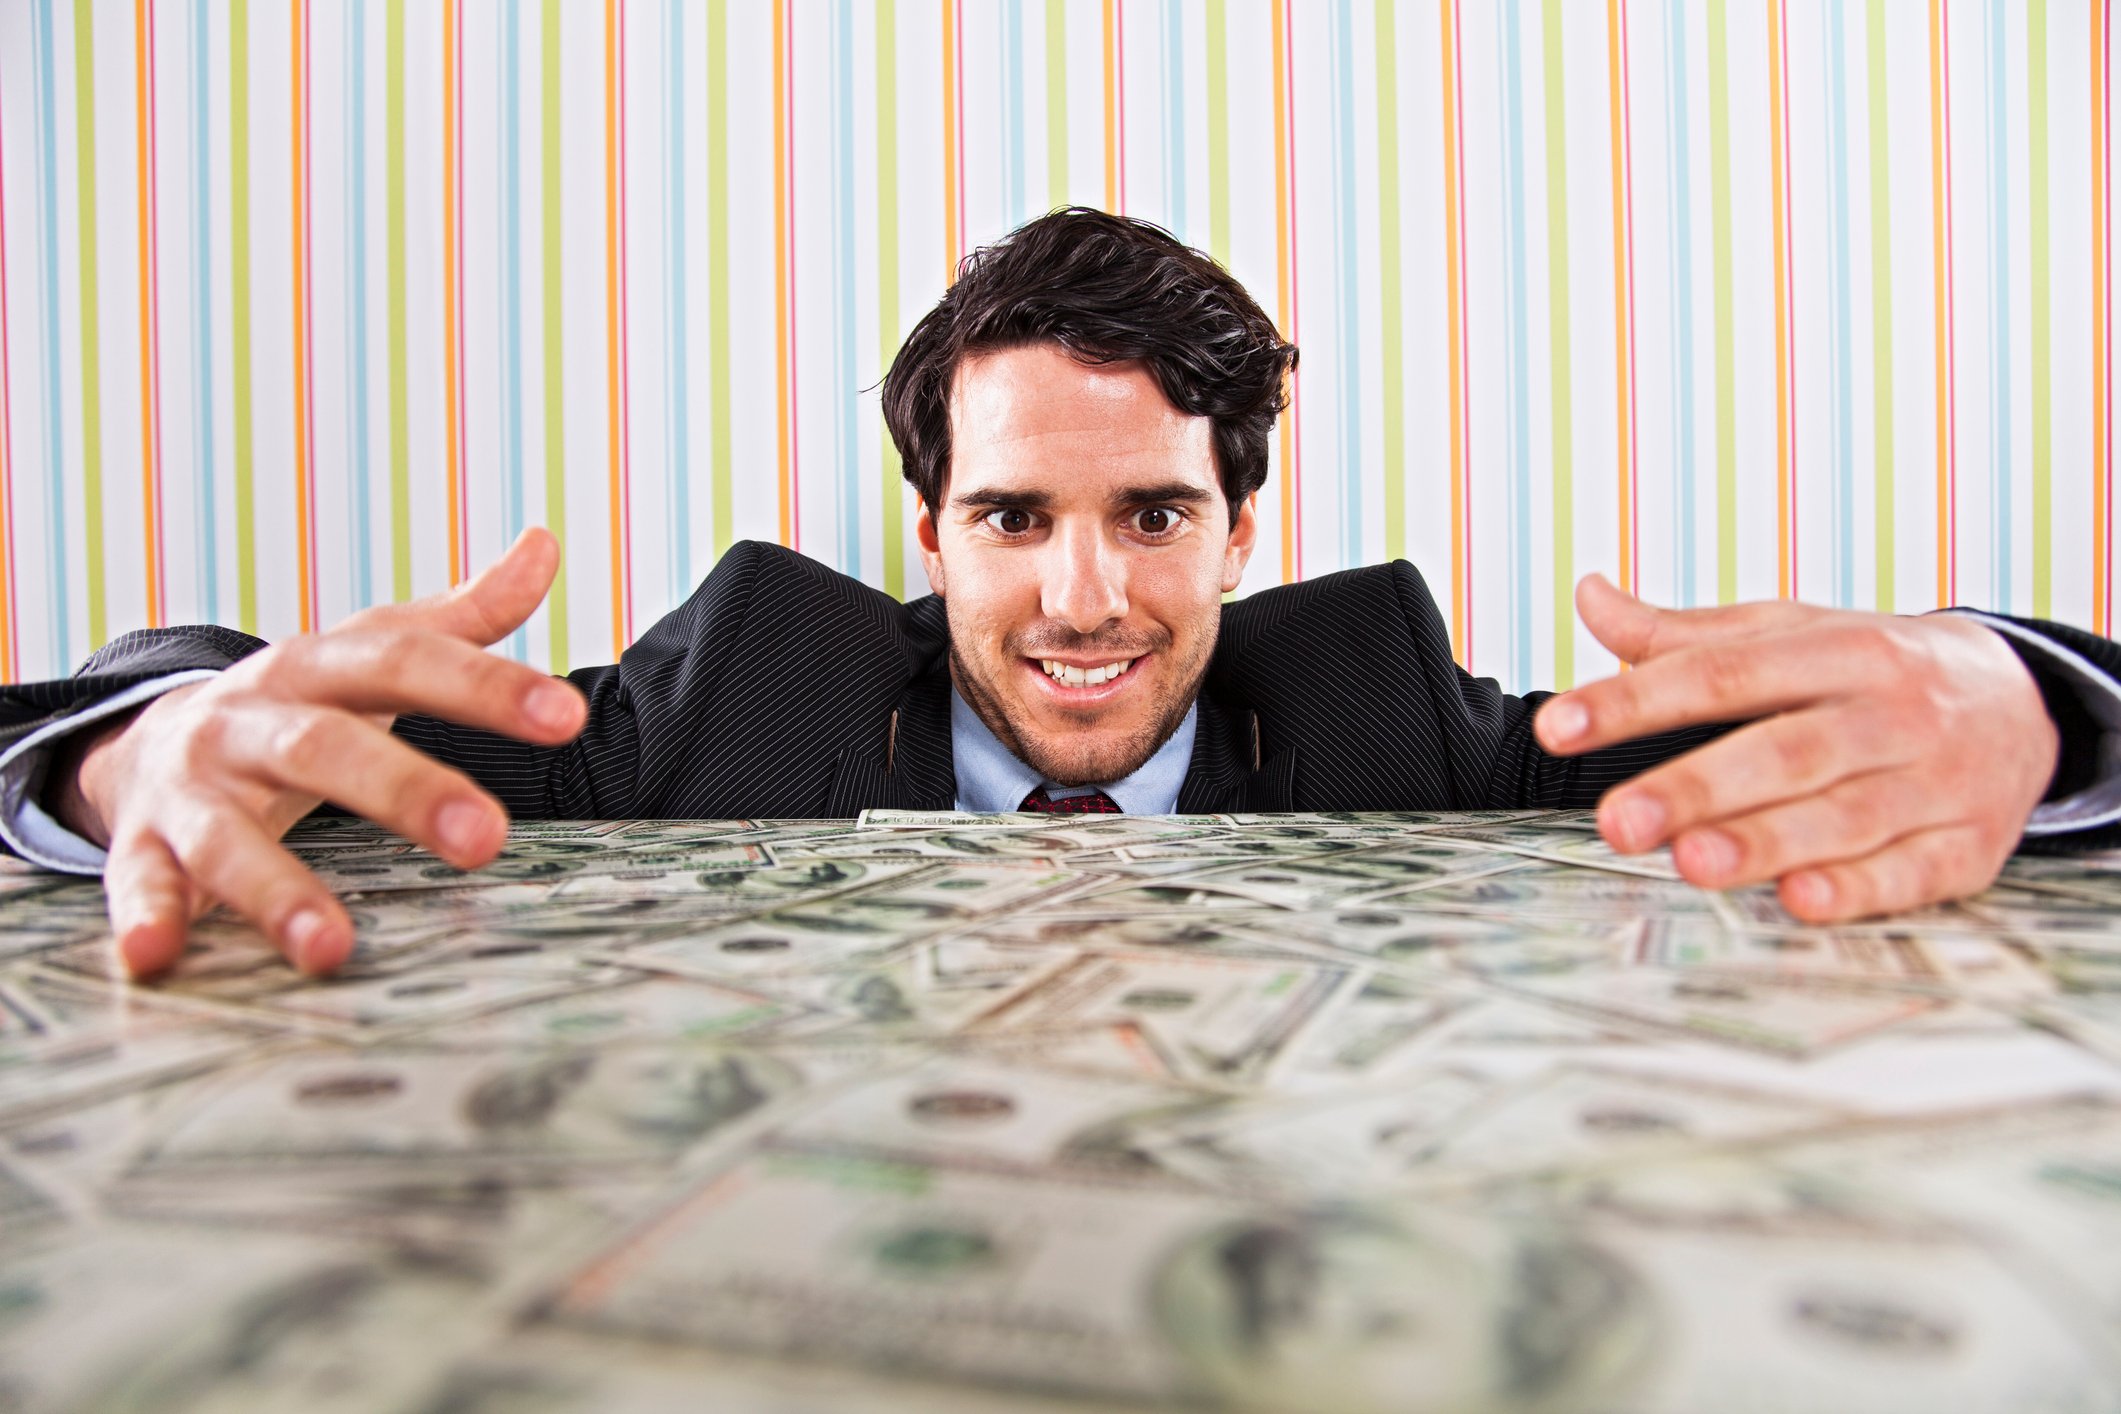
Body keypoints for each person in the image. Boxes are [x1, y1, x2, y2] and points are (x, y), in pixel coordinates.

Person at [4, 209, 2117, 980]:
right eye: (1013, 518)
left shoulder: (1393, 716)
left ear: (1237, 527)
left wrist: (2014, 690)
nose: (1084, 594)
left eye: (1151, 516)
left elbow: (1850, 745)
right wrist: (131, 749)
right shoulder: (729, 698)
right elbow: (247, 723)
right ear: (925, 529)